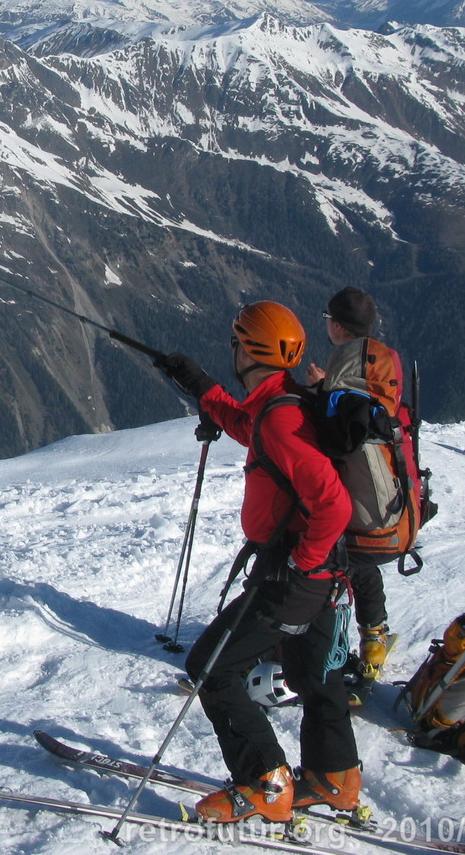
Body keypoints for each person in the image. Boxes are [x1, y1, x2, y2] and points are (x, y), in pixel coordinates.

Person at [158, 302, 359, 824]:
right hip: (324, 573)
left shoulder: (283, 419)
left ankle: (266, 784)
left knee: (212, 668)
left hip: (298, 575)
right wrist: (200, 384)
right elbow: (249, 426)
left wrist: (299, 565)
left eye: (236, 342)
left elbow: (333, 504)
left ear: (248, 349)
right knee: (312, 672)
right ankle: (335, 777)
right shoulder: (284, 402)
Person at [302, 287, 408, 683]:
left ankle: (325, 646)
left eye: (328, 319)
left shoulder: (347, 362)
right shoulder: (379, 359)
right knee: (361, 564)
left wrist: (318, 391)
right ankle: (374, 634)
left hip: (358, 497)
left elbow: (338, 436)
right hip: (388, 494)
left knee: (332, 563)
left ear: (338, 325)